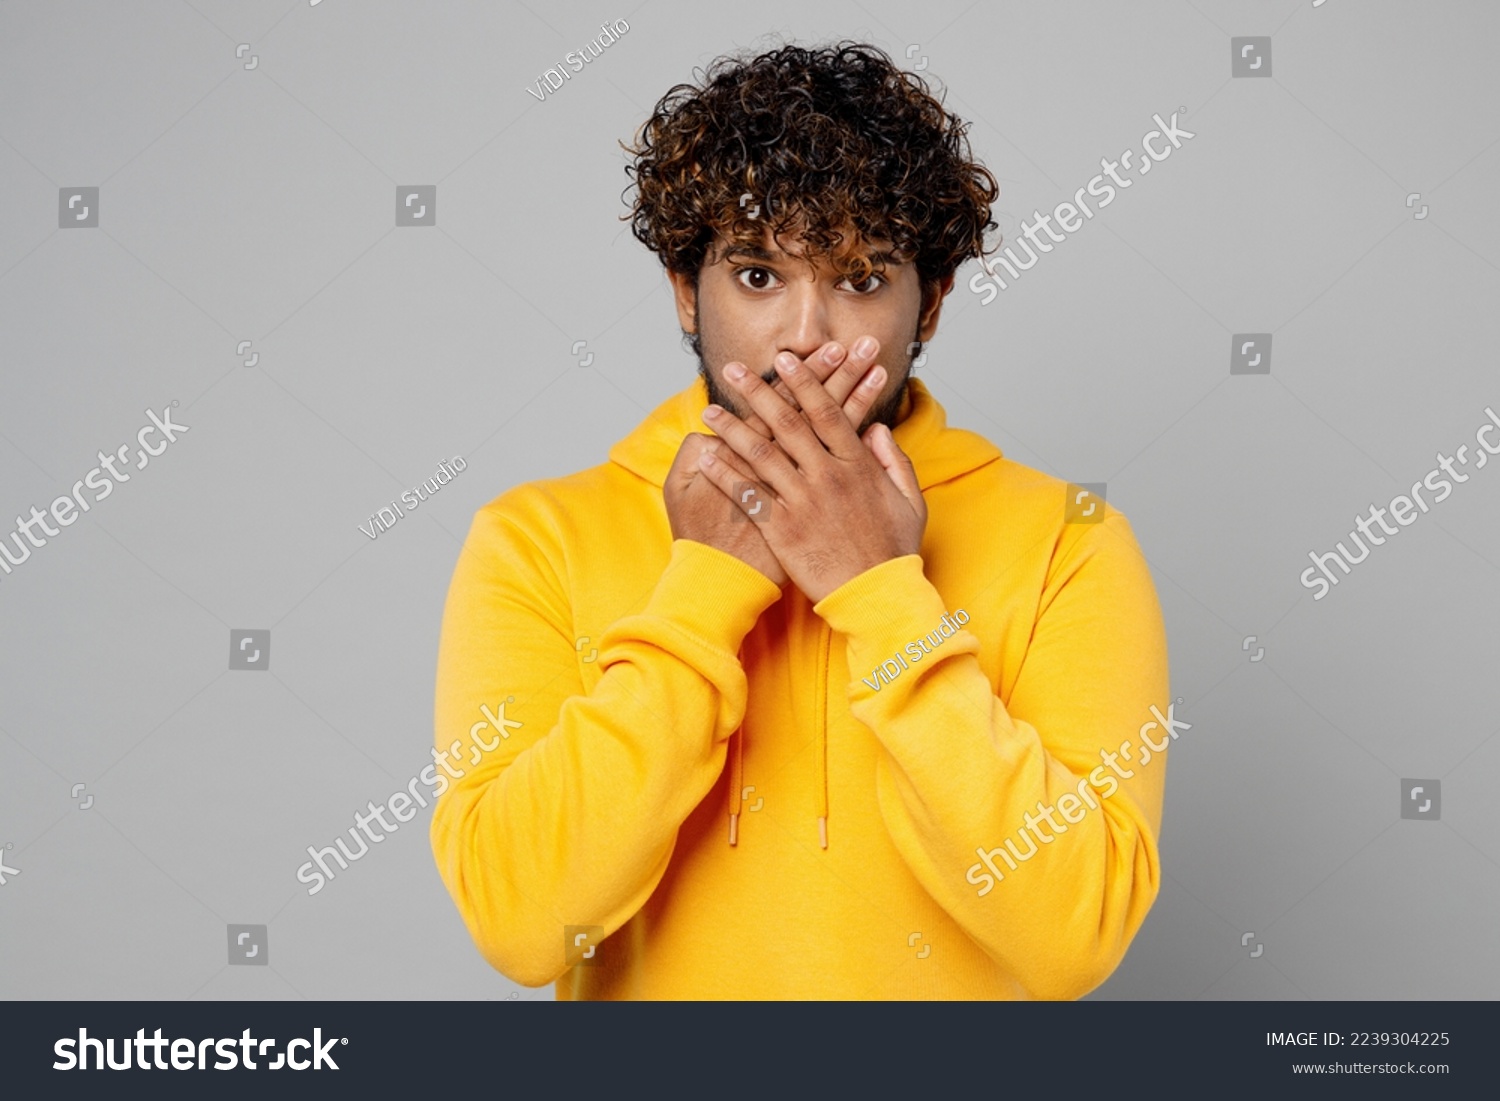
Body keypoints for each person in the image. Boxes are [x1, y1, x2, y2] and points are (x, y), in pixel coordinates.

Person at [430, 41, 1171, 999]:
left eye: (861, 279)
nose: (807, 335)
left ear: (930, 304)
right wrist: (702, 589)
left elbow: (1076, 941)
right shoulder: (535, 538)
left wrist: (885, 597)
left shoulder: (1070, 543)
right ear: (683, 294)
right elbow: (523, 924)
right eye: (756, 275)